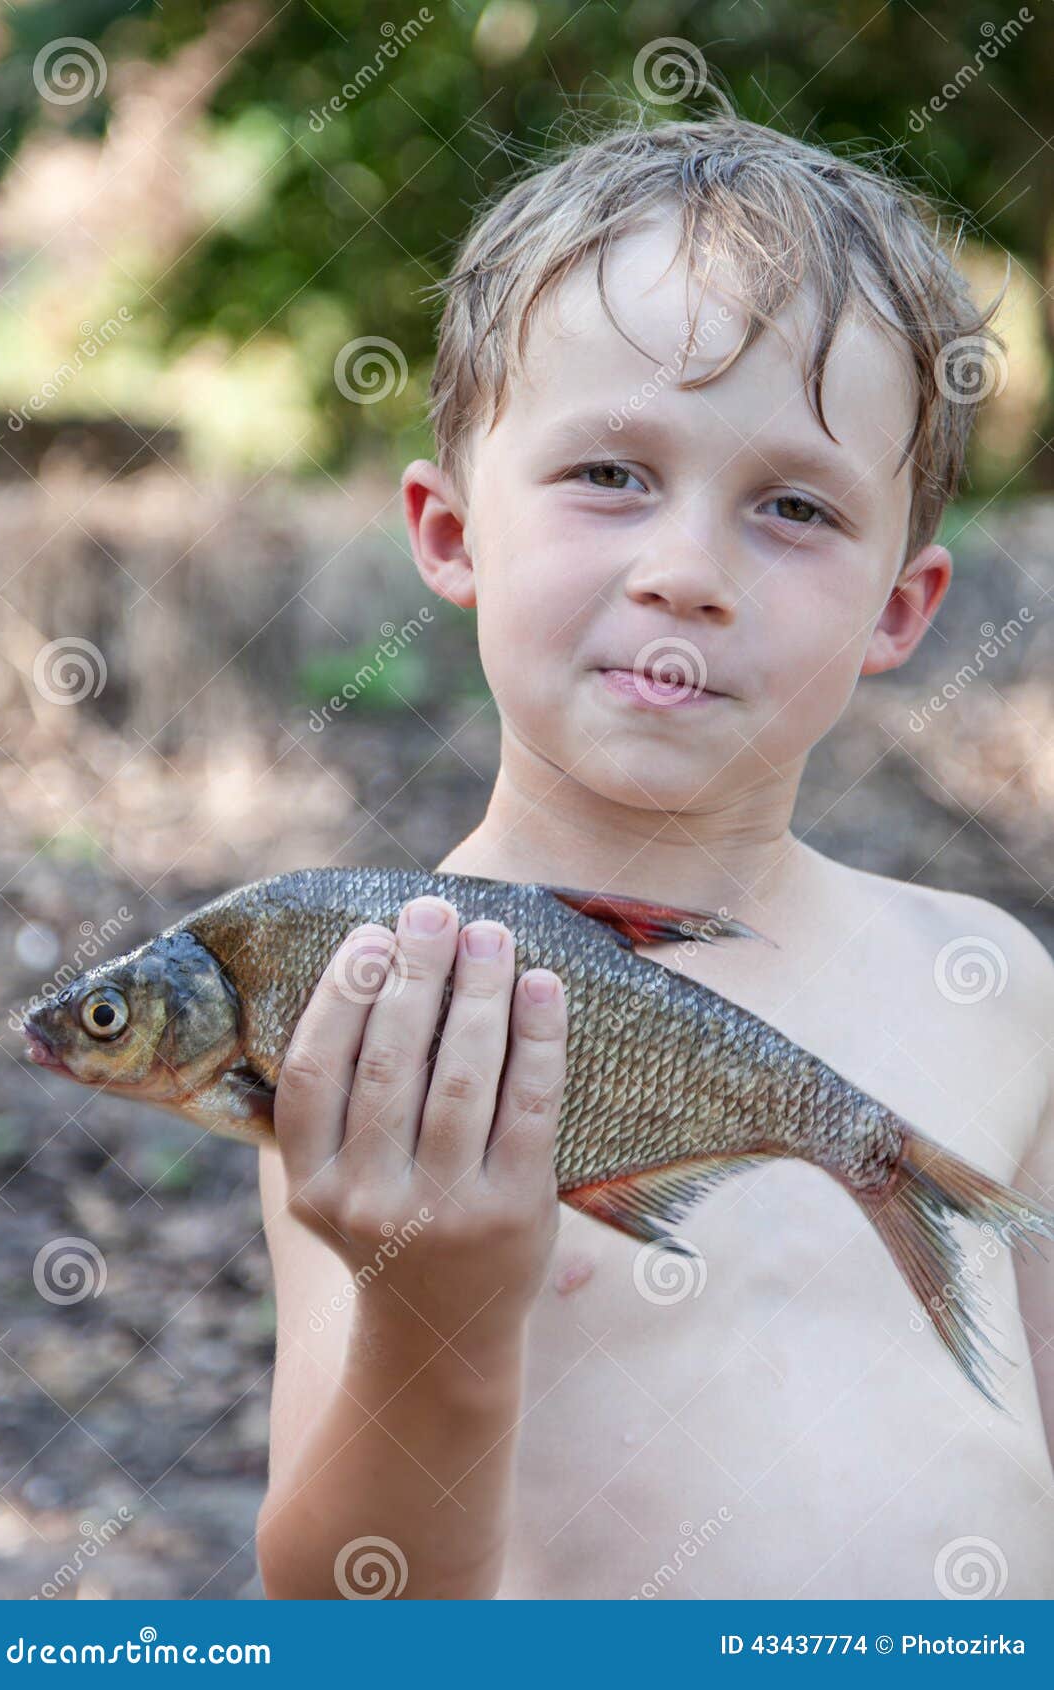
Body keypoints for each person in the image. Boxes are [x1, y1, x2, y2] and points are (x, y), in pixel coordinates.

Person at [254, 97, 1054, 1599]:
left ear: (903, 604)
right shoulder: (380, 1004)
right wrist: (445, 1316)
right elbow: (351, 1608)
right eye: (609, 473)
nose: (687, 572)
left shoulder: (994, 987)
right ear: (449, 529)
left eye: (796, 507)